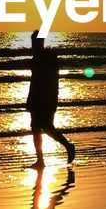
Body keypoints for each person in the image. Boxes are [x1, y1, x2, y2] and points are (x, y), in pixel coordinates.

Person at [26, 29, 75, 167]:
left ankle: (68, 146)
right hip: (37, 97)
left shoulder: (48, 56)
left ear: (39, 42)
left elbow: (50, 79)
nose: (32, 44)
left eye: (34, 42)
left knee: (47, 127)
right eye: (32, 42)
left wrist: (50, 98)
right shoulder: (39, 57)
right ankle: (40, 160)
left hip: (46, 98)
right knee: (36, 128)